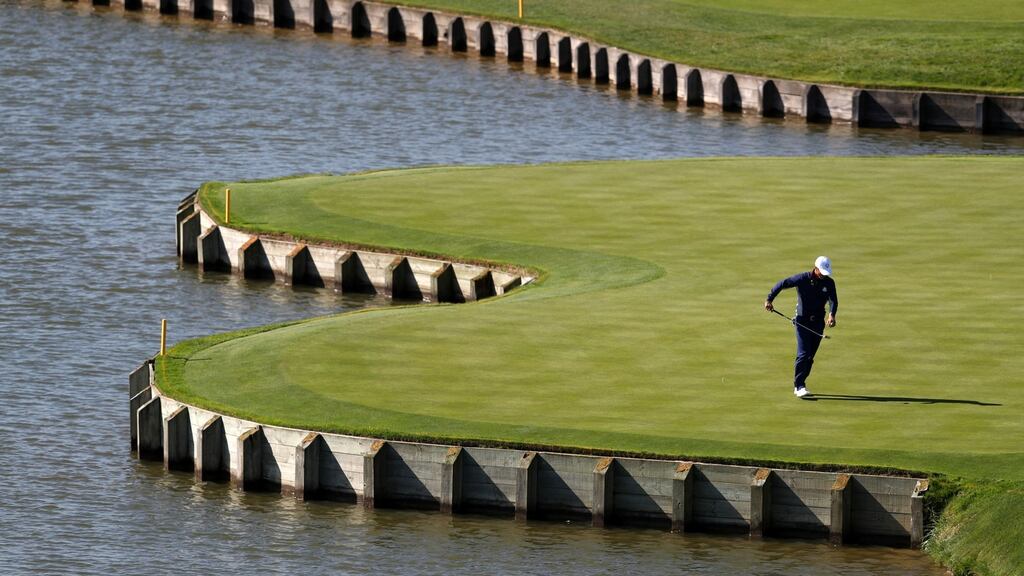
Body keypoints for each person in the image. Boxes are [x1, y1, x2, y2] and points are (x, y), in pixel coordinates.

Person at [764, 256, 838, 398]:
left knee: (810, 357)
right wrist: (769, 299)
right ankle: (799, 386)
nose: (823, 275)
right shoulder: (802, 279)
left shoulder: (829, 283)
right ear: (815, 269)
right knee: (803, 354)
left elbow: (833, 300)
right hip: (802, 322)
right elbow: (783, 283)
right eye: (821, 272)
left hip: (818, 323)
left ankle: (802, 382)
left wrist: (831, 315)